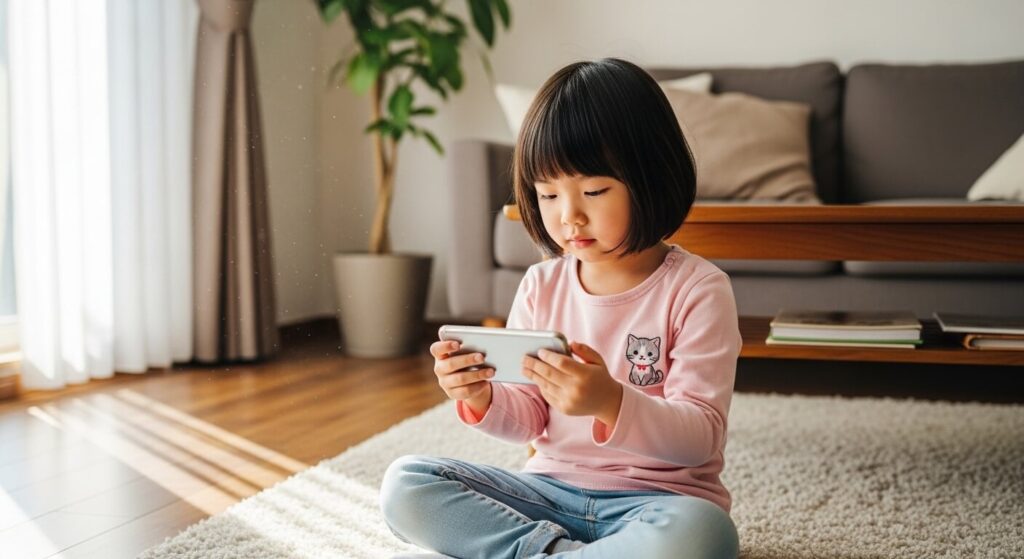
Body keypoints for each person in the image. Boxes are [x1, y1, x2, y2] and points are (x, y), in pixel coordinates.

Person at [380, 58, 743, 559]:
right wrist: (482, 396)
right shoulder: (540, 284)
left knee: (706, 534)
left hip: (661, 502)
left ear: (652, 175)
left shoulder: (699, 289)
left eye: (594, 191)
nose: (569, 216)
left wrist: (611, 402)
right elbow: (528, 419)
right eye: (548, 194)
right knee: (409, 483)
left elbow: (700, 437)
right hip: (548, 495)